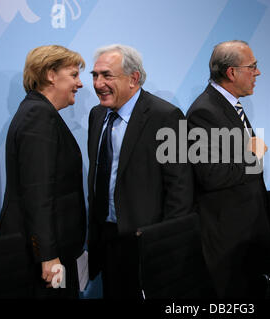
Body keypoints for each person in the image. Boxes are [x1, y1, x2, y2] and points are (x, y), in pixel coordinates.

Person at [87, 44, 194, 299]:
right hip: (106, 238)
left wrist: (165, 243)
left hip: (145, 242)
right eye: (94, 75)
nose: (98, 83)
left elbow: (180, 188)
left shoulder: (166, 116)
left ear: (133, 78)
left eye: (106, 75)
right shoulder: (96, 115)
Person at [0, 45, 87, 298]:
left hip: (45, 252)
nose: (80, 84)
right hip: (41, 260)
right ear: (50, 74)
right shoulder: (38, 115)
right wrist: (48, 256)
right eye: (74, 75)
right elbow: (38, 191)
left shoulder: (38, 112)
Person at [186, 40, 270, 298]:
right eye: (253, 67)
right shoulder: (204, 111)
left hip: (245, 233)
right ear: (232, 72)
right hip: (227, 239)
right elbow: (211, 174)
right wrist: (253, 156)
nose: (257, 73)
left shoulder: (230, 106)